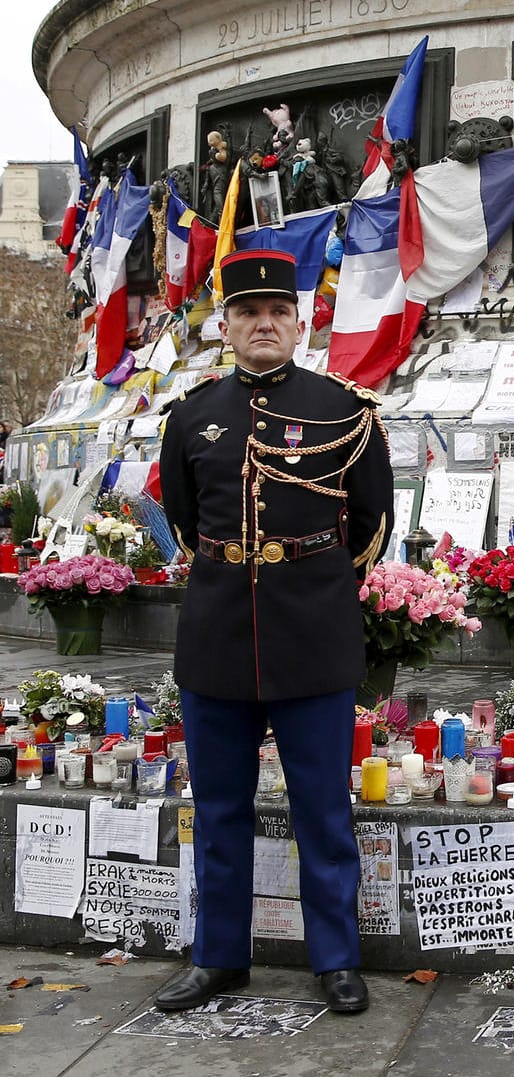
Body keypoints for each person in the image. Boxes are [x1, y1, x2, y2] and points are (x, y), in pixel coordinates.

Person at [153, 249, 393, 1015]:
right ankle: (218, 957)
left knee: (323, 808)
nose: (264, 323)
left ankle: (334, 959)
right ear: (224, 326)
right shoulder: (190, 414)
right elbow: (189, 522)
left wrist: (306, 580)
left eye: (278, 312)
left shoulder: (344, 410)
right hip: (218, 635)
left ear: (300, 322)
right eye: (248, 313)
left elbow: (370, 525)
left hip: (313, 634)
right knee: (219, 809)